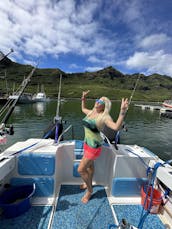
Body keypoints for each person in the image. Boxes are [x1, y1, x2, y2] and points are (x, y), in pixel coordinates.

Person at [77, 90, 129, 204]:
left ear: (104, 106)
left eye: (100, 101)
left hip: (94, 147)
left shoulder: (104, 117)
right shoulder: (91, 112)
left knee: (80, 170)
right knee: (89, 168)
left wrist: (122, 112)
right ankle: (88, 183)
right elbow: (82, 109)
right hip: (86, 143)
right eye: (97, 99)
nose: (97, 101)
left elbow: (115, 127)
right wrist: (83, 98)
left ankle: (89, 191)